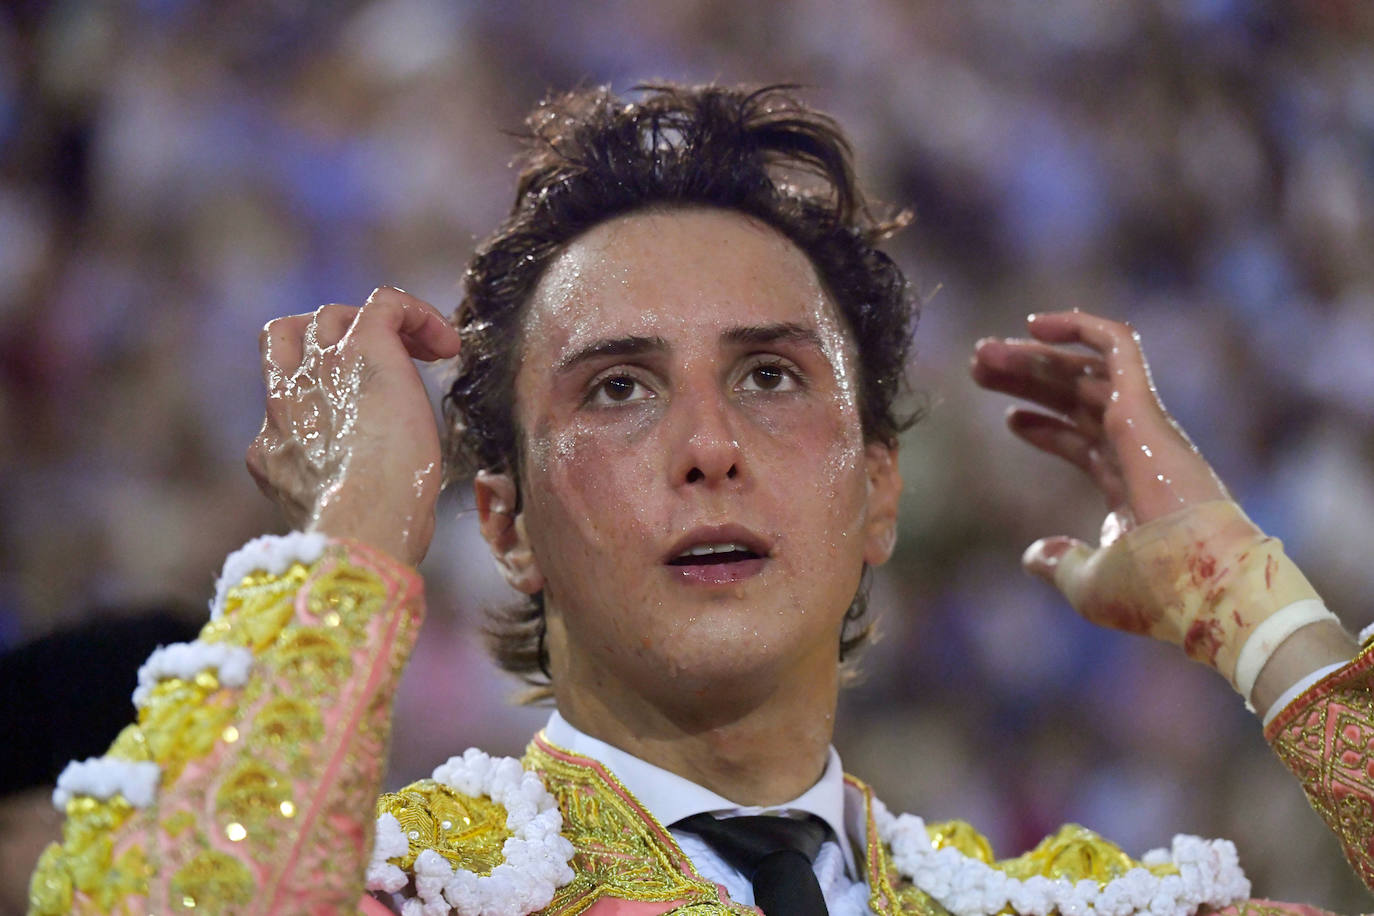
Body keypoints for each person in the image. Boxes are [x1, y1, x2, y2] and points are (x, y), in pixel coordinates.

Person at [24, 84, 1373, 916]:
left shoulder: (1059, 911)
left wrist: (1261, 623)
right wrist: (354, 523)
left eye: (773, 376)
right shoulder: (398, 888)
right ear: (501, 524)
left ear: (877, 496)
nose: (710, 445)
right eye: (617, 389)